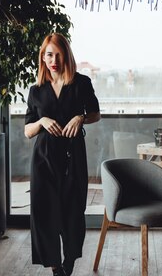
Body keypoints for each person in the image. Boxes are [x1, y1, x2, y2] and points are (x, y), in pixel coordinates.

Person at [24, 33, 100, 276]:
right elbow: (27, 130)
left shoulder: (81, 83)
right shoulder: (36, 90)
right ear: (43, 58)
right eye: (49, 54)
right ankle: (56, 268)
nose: (54, 59)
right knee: (44, 214)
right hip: (43, 159)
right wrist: (42, 121)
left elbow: (96, 114)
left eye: (58, 54)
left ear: (66, 55)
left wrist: (81, 117)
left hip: (73, 158)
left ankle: (69, 263)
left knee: (72, 212)